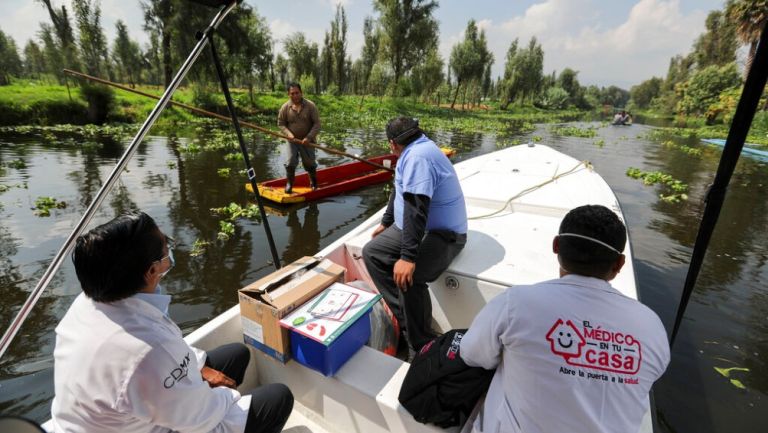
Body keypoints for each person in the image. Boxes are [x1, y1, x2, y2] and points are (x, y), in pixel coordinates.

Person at [51, 212, 294, 433]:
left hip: (119, 416)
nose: (170, 253)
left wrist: (199, 370)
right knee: (277, 398)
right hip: (160, 416)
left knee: (236, 355)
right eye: (166, 248)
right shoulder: (147, 351)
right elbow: (201, 416)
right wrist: (228, 396)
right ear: (152, 270)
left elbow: (168, 358)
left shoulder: (91, 300)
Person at [460, 204, 670, 433]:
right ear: (619, 264)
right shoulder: (651, 325)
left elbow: (472, 355)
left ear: (556, 245)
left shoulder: (516, 303)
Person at [362, 117, 467, 357]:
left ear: (392, 144)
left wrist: (408, 258)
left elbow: (416, 209)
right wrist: (386, 222)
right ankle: (408, 320)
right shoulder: (412, 151)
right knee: (373, 253)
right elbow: (400, 191)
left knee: (411, 277)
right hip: (413, 227)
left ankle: (420, 343)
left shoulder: (418, 157)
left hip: (444, 234)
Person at [277, 82, 321, 194]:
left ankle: (314, 183)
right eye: (292, 93)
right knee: (291, 162)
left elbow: (317, 124)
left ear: (301, 93)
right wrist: (289, 134)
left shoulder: (311, 106)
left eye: (297, 93)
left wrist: (309, 137)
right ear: (288, 94)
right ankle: (289, 184)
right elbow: (281, 123)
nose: (295, 95)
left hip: (307, 141)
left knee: (310, 163)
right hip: (292, 141)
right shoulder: (285, 107)